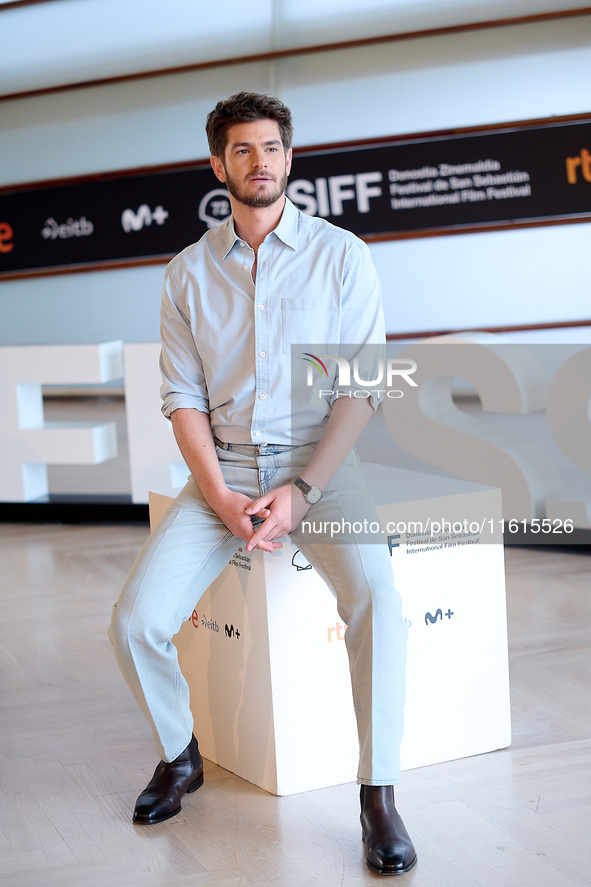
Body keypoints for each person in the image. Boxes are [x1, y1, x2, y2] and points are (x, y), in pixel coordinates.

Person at [109, 92, 416, 876]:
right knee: (135, 620)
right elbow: (180, 398)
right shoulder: (185, 273)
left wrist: (306, 489)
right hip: (226, 468)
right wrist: (215, 494)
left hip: (322, 463)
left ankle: (377, 793)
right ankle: (181, 756)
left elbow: (361, 386)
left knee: (378, 598)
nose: (259, 161)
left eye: (270, 147)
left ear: (289, 157)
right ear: (219, 166)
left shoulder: (342, 255)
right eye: (241, 150)